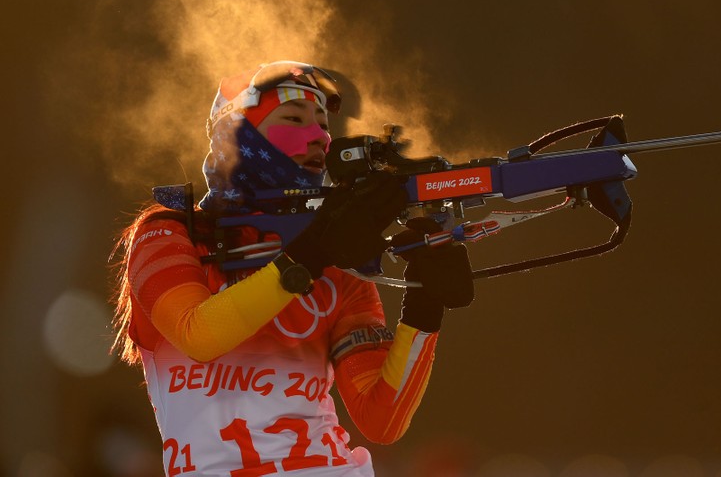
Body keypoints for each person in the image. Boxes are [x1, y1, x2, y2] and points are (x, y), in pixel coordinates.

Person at [111, 61, 475, 476]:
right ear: (237, 134)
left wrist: (423, 307)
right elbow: (199, 334)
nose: (320, 135)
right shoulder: (168, 234)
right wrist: (312, 256)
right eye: (293, 118)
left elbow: (383, 420)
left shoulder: (335, 262)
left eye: (323, 123)